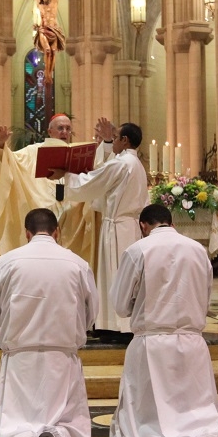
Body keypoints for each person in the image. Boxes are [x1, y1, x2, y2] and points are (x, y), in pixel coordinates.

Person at [105, 203, 218, 437]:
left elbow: (119, 305)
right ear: (171, 222)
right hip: (192, 342)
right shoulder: (198, 250)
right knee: (196, 412)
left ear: (144, 225)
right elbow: (206, 295)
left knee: (152, 421)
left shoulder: (138, 250)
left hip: (152, 344)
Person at [0, 208, 97, 437]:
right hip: (62, 356)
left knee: (16, 420)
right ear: (57, 232)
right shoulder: (77, 264)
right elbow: (91, 313)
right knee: (64, 420)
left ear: (26, 233)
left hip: (21, 356)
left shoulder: (7, 262)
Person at [54, 120, 150, 340]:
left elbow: (93, 182)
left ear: (125, 140)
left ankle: (117, 325)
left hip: (116, 227)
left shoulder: (122, 163)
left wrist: (64, 175)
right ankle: (114, 323)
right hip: (129, 226)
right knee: (122, 276)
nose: (113, 142)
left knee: (116, 275)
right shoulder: (134, 164)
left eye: (115, 138)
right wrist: (107, 143)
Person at [0, 112, 97, 263]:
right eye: (60, 128)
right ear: (50, 132)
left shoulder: (78, 153)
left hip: (72, 217)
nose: (64, 132)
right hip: (40, 212)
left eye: (68, 128)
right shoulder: (33, 151)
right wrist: (1, 145)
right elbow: (10, 163)